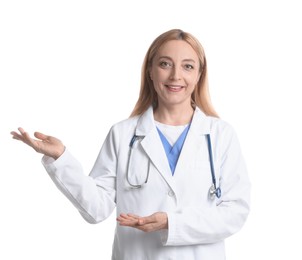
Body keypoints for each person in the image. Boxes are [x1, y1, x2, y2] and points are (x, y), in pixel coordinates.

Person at [11, 29, 251, 260]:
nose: (175, 75)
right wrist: (61, 158)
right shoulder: (123, 134)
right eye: (165, 64)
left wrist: (171, 222)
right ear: (150, 71)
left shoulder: (220, 135)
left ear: (199, 74)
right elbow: (97, 209)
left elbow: (235, 213)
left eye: (187, 66)